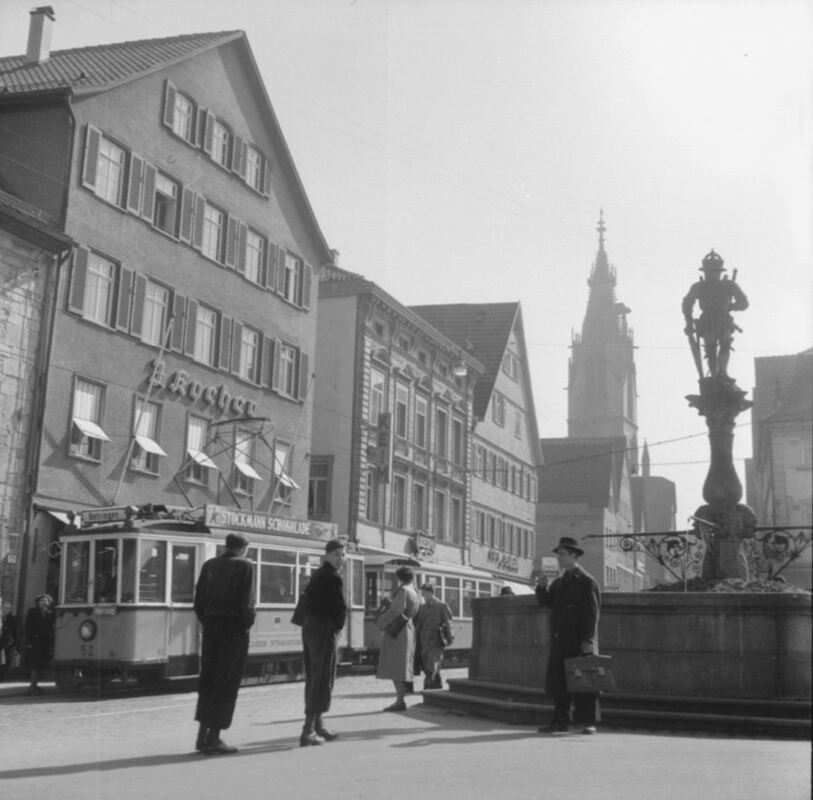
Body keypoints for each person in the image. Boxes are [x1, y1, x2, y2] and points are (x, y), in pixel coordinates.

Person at [193, 533, 256, 755]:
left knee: (208, 679)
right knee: (226, 681)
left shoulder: (209, 565)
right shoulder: (245, 566)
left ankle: (202, 735)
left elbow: (198, 601)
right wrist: (246, 625)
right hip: (233, 631)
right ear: (243, 548)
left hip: (211, 628)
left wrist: (208, 620)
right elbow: (247, 603)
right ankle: (215, 737)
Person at [534, 536, 601, 735]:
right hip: (560, 640)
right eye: (558, 555)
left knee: (585, 683)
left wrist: (588, 640)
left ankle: (587, 722)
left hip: (579, 641)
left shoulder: (587, 581)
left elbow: (591, 614)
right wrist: (541, 587)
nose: (559, 558)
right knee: (559, 683)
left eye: (562, 554)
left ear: (573, 555)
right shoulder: (559, 582)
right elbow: (547, 602)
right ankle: (560, 721)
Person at [299, 539, 347, 746]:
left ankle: (318, 725)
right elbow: (340, 607)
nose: (340, 559)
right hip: (324, 629)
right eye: (336, 555)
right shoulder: (333, 577)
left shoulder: (318, 574)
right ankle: (308, 730)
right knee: (322, 679)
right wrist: (337, 627)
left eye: (342, 555)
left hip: (310, 627)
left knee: (315, 676)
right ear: (327, 555)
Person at [681, 250, 749, 379]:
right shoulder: (699, 286)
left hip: (723, 319)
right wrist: (688, 323)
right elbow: (687, 304)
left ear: (719, 272)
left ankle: (722, 372)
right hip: (708, 320)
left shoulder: (729, 285)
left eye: (714, 272)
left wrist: (730, 306)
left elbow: (744, 303)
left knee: (724, 345)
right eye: (709, 272)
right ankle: (714, 374)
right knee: (711, 348)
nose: (711, 274)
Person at [375, 566, 420, 711]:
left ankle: (400, 700)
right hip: (408, 628)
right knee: (402, 664)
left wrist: (381, 622)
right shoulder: (414, 591)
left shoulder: (403, 590)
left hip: (398, 630)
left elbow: (396, 610)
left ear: (399, 578)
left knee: (396, 665)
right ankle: (400, 699)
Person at [414, 583, 453, 690]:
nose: (422, 596)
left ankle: (428, 686)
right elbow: (419, 624)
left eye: (424, 593)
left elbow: (449, 623)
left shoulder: (442, 606)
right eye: (422, 593)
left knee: (432, 664)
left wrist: (450, 639)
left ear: (431, 593)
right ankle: (437, 685)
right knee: (426, 663)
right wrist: (414, 638)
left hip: (436, 640)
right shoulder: (422, 608)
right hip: (424, 641)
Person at [24, 594, 54, 695]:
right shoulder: (32, 612)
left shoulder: (50, 613)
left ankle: (35, 686)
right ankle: (32, 687)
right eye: (41, 601)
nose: (43, 602)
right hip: (34, 642)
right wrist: (29, 642)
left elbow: (51, 627)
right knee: (34, 665)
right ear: (38, 602)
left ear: (48, 603)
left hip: (44, 643)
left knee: (41, 665)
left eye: (45, 601)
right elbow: (28, 627)